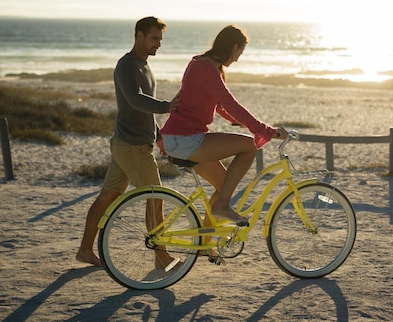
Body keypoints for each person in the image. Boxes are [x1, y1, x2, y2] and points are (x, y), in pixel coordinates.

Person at [160, 25, 288, 229]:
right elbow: (230, 103)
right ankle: (222, 206)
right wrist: (266, 130)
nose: (238, 58)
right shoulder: (206, 68)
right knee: (249, 146)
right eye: (240, 52)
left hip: (179, 138)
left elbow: (221, 107)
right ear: (233, 47)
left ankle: (205, 244)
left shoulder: (203, 64)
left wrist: (244, 123)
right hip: (185, 139)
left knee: (223, 186)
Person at [76, 16, 179, 268]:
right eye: (154, 38)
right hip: (131, 146)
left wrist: (158, 135)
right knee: (156, 197)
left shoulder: (144, 65)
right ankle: (161, 256)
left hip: (131, 144)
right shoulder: (126, 65)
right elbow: (135, 99)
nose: (158, 44)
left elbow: (144, 109)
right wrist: (167, 106)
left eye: (160, 40)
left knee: (106, 197)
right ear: (139, 36)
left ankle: (85, 251)